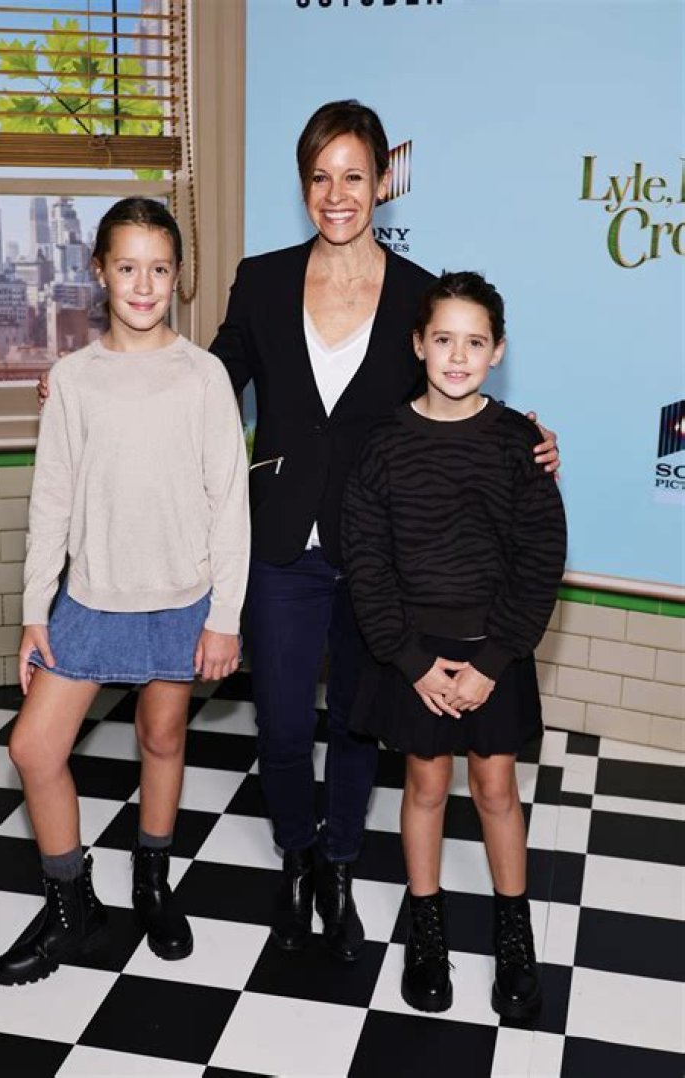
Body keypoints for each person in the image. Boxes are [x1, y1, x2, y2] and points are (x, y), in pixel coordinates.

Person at [39, 101, 560, 963]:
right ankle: (294, 857)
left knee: (355, 724)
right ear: (304, 184)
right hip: (278, 541)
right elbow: (206, 378)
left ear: (382, 182)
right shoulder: (263, 279)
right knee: (281, 724)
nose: (336, 193)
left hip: (381, 550)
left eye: (354, 175)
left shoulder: (417, 292)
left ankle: (340, 865)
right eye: (320, 177)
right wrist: (89, 380)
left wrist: (524, 434)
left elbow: (450, 395)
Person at [0, 198, 250, 987]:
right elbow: (51, 501)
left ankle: (152, 878)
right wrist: (35, 609)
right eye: (128, 266)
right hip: (91, 597)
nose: (144, 284)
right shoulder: (73, 380)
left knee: (162, 738)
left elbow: (229, 502)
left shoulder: (204, 376)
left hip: (182, 597)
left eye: (160, 268)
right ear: (99, 271)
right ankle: (73, 903)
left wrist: (225, 616)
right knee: (33, 748)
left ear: (178, 277)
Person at [341, 271, 566, 1018]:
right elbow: (367, 561)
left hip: (495, 647)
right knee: (426, 786)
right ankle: (427, 928)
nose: (459, 356)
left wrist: (494, 661)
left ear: (498, 351)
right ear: (418, 345)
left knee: (497, 788)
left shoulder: (520, 444)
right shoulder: (384, 444)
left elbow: (540, 556)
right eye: (444, 339)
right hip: (417, 653)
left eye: (475, 342)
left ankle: (514, 933)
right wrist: (411, 662)